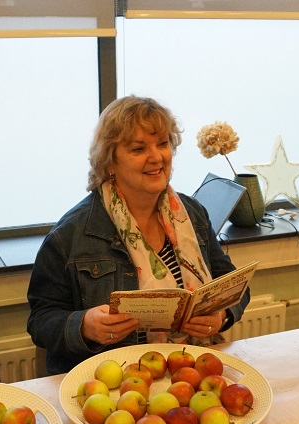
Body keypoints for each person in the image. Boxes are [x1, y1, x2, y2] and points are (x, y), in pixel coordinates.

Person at [27, 96, 250, 374]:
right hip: (115, 384)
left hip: (193, 374)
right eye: (138, 148)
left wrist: (223, 316)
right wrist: (84, 326)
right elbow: (41, 321)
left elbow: (233, 286)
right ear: (109, 161)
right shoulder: (70, 234)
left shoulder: (192, 213)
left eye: (163, 143)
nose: (157, 157)